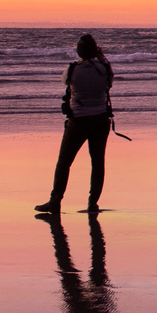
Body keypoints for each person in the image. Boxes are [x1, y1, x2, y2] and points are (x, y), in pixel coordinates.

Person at [36, 34, 114, 212]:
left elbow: (64, 81)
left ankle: (55, 201)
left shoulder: (72, 70)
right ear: (95, 51)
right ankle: (92, 203)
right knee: (97, 163)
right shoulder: (104, 69)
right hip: (101, 120)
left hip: (79, 120)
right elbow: (110, 79)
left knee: (64, 162)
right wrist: (101, 58)